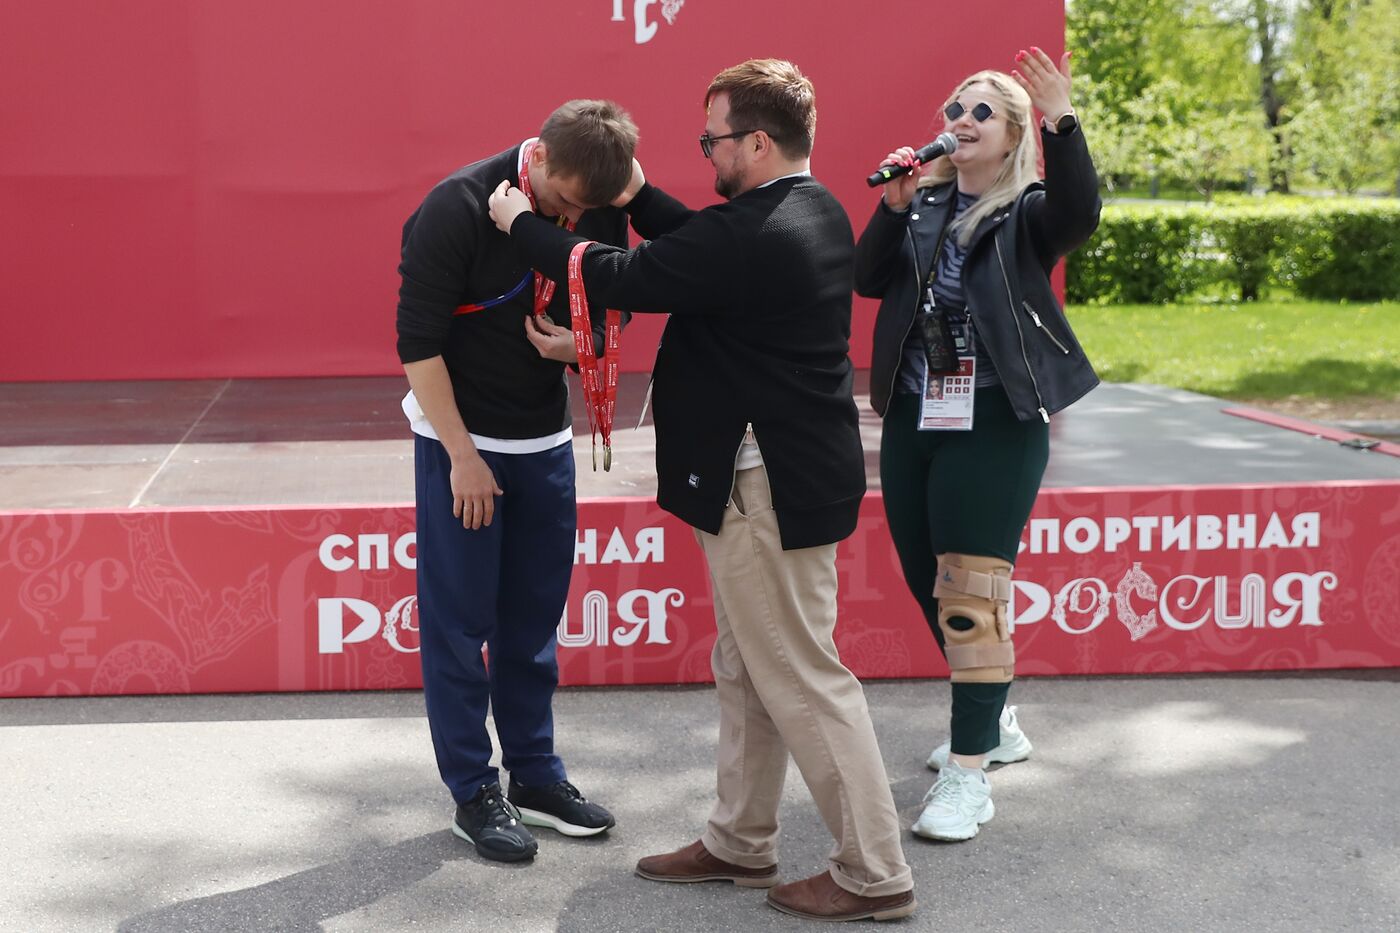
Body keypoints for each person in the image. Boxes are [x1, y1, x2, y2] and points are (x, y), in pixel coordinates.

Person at [489, 60, 915, 923]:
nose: (704, 152)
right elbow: (696, 248)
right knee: (750, 668)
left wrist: (518, 225)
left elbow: (624, 278)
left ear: (756, 142)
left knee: (799, 675)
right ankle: (739, 839)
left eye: (712, 138)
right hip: (773, 477)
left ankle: (873, 871)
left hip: (763, 486)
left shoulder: (757, 232)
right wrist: (641, 194)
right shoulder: (810, 208)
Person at [854, 47, 1100, 842]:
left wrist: (1064, 124)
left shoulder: (1026, 211)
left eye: (980, 113)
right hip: (915, 416)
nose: (959, 122)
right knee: (929, 579)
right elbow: (866, 279)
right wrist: (892, 205)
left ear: (1013, 134)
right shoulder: (921, 204)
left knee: (970, 592)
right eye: (953, 110)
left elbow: (1079, 214)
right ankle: (998, 720)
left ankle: (969, 773)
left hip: (996, 421)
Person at [395, 99, 639, 863]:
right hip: (464, 446)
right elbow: (416, 345)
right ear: (536, 162)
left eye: (587, 210)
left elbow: (613, 309)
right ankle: (475, 790)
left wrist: (581, 346)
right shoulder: (458, 205)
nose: (573, 218)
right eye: (563, 202)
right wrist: (463, 456)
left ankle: (536, 774)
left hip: (546, 441)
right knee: (460, 628)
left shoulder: (597, 200)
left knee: (532, 625)